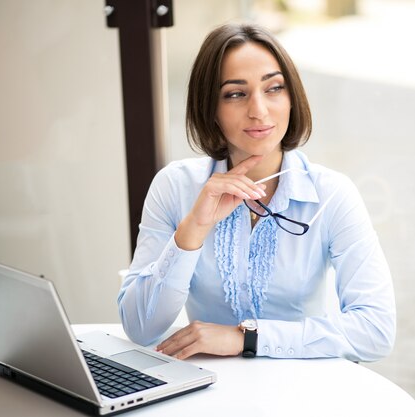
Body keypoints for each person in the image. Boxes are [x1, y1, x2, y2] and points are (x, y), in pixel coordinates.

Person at [118, 22, 395, 362]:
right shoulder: (175, 186)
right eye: (235, 94)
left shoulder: (332, 194)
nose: (259, 110)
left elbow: (376, 329)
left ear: (292, 98)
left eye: (274, 88)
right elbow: (140, 327)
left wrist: (247, 338)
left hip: (299, 391)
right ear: (211, 109)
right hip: (205, 389)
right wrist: (193, 229)